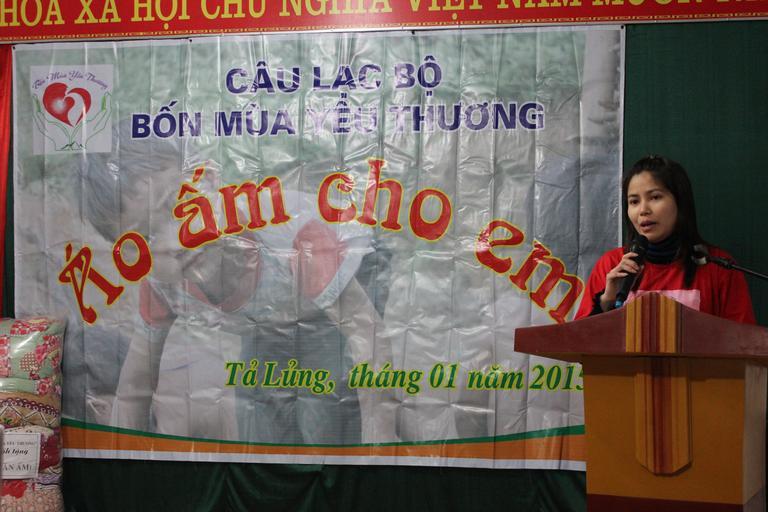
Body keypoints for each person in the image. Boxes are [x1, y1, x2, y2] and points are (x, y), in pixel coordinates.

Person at [576, 155, 755, 324]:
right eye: (634, 201)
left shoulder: (718, 268)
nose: (643, 210)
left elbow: (743, 340)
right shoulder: (611, 265)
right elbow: (579, 338)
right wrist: (606, 300)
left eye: (655, 197)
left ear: (680, 202)